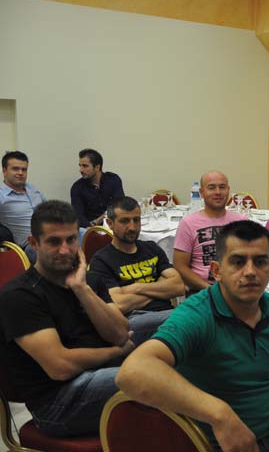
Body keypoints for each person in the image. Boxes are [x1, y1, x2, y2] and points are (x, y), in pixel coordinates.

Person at [116, 220, 269, 452]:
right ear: (216, 271)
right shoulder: (198, 314)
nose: (250, 271)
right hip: (215, 445)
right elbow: (131, 372)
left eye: (260, 262)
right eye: (238, 262)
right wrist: (220, 415)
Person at [0, 200, 132, 437]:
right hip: (57, 403)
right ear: (34, 243)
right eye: (54, 242)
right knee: (153, 376)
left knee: (174, 354)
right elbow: (60, 367)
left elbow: (120, 334)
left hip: (98, 374)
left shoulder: (88, 281)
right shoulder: (19, 295)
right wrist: (115, 352)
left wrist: (81, 289)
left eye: (71, 240)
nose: (65, 250)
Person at [88, 196, 184, 345]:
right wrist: (159, 289)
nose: (132, 227)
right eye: (125, 221)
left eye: (136, 220)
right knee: (189, 317)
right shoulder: (102, 260)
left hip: (166, 313)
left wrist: (135, 287)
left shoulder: (152, 248)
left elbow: (178, 287)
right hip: (134, 321)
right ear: (110, 223)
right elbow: (118, 304)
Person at [173, 170, 246, 293]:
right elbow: (180, 266)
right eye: (211, 188)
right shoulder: (188, 223)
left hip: (237, 288)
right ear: (201, 192)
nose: (218, 192)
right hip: (202, 290)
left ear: (228, 190)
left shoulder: (241, 221)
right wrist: (210, 290)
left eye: (222, 187)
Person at [0, 151, 46, 261]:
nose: (20, 173)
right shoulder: (1, 195)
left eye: (24, 169)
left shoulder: (33, 189)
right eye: (15, 169)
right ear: (4, 171)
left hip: (52, 234)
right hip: (30, 245)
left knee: (83, 232)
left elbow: (50, 211)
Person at [70, 148, 124, 228]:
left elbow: (120, 205)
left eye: (85, 166)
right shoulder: (77, 187)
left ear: (97, 167)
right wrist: (94, 225)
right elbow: (79, 216)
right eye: (80, 166)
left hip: (114, 225)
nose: (81, 170)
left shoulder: (113, 179)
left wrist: (99, 220)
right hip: (90, 229)